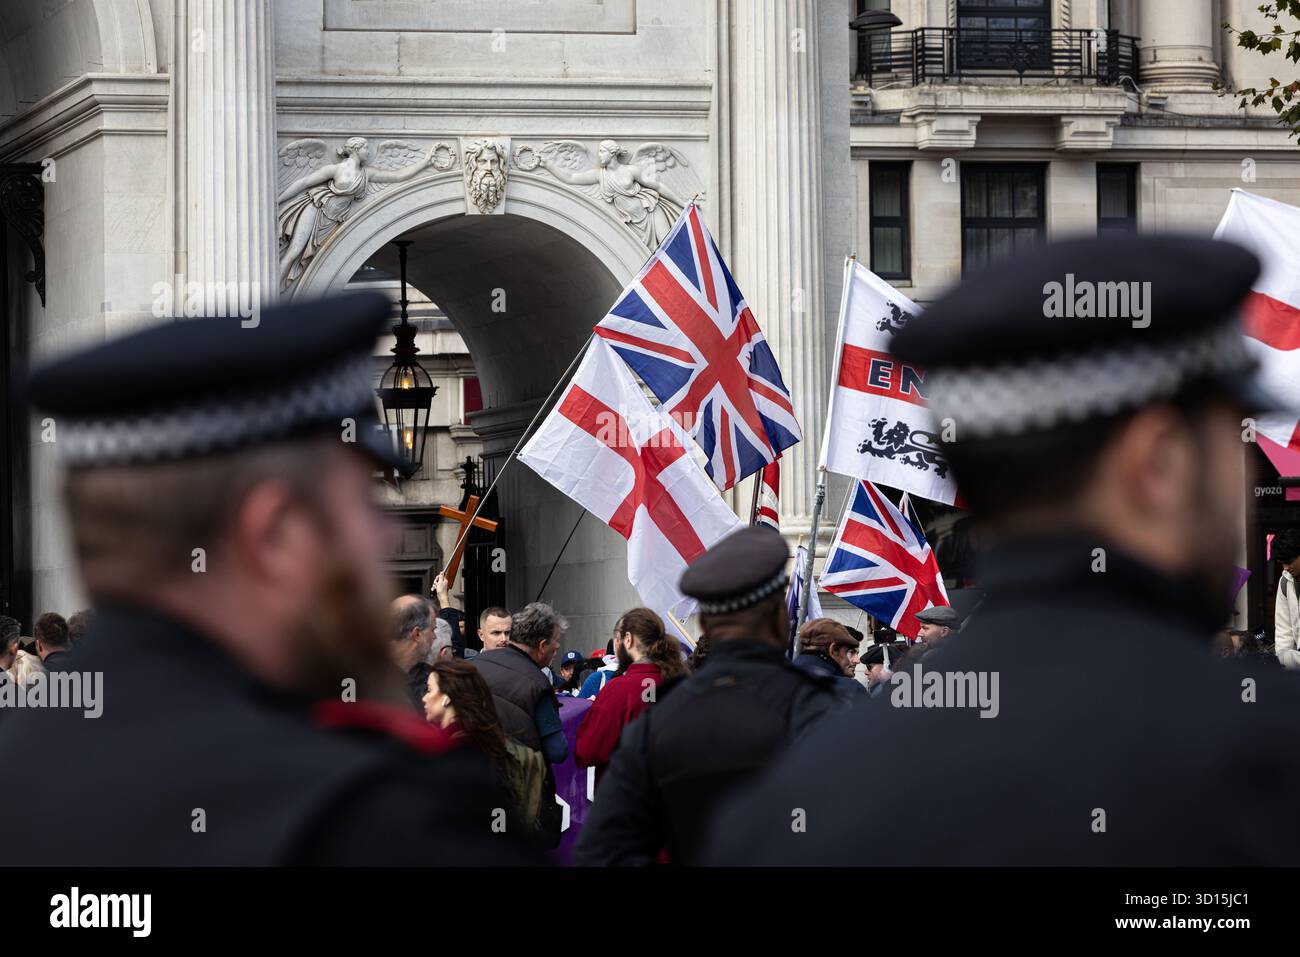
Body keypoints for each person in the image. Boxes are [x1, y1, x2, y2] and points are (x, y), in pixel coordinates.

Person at [707, 235, 1300, 866]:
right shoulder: (1268, 762)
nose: (1240, 479)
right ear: (1157, 462)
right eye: (1229, 447)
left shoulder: (791, 808)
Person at [0, 292, 539, 866]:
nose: (381, 537)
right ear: (275, 531)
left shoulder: (19, 766)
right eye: (360, 503)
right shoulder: (387, 818)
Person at [573, 527, 841, 866]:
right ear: (779, 619)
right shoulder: (823, 710)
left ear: (707, 625)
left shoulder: (659, 722)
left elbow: (602, 853)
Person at [423, 658, 551, 840]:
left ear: (446, 697)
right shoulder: (480, 744)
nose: (424, 698)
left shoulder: (461, 754)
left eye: (429, 690)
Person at [575, 608, 685, 779]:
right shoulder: (685, 684)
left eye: (617, 639)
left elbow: (586, 751)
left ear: (628, 639)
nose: (616, 644)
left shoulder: (618, 690)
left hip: (627, 796)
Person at [793, 618, 865, 702]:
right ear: (833, 650)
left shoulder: (778, 679)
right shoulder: (851, 691)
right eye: (850, 652)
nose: (858, 661)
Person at [389, 594, 436, 709]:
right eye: (432, 630)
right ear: (417, 634)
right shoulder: (363, 679)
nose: (435, 636)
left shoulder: (432, 678)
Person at [1271, 530, 1300, 669]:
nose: (1286, 568)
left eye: (1289, 562)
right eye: (1282, 563)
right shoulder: (1285, 582)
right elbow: (1283, 629)